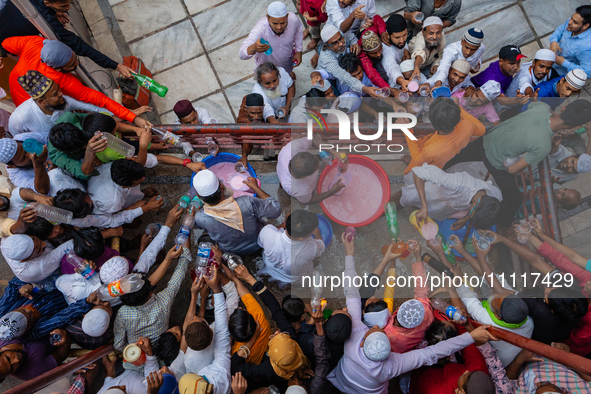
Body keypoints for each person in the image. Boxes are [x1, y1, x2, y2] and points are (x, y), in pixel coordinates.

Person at [326, 232, 497, 393]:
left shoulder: (354, 339)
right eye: (380, 330)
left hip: (342, 379)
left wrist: (349, 253)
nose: (378, 326)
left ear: (363, 340)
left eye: (376, 329)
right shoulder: (395, 364)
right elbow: (433, 352)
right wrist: (471, 336)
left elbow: (351, 292)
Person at [443, 99, 591, 228]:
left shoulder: (542, 107)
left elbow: (533, 105)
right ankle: (504, 226)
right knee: (514, 199)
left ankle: (436, 165)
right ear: (574, 127)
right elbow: (513, 169)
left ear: (565, 108)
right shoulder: (543, 146)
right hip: (494, 161)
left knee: (459, 155)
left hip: (487, 139)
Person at [1, 36, 149, 127]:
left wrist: (130, 116)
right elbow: (99, 100)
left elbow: (5, 43)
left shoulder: (35, 42)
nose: (77, 65)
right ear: (56, 69)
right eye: (72, 65)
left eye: (75, 59)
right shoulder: (63, 82)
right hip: (32, 108)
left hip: (15, 85)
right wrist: (133, 118)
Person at [0, 0, 135, 77]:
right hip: (9, 42)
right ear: (47, 2)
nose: (68, 8)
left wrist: (55, 11)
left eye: (69, 3)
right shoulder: (48, 23)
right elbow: (81, 46)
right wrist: (116, 66)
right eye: (63, 6)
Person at [113, 243, 186, 372]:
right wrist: (184, 250)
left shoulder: (123, 313)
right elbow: (179, 274)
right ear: (150, 293)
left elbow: (118, 345)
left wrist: (132, 350)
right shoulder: (164, 300)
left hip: (136, 360)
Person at [192, 169, 281, 256]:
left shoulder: (200, 217)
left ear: (198, 196)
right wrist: (256, 188)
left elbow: (197, 225)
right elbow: (276, 209)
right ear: (222, 185)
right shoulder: (246, 202)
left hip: (233, 251)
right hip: (259, 242)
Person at [176, 267, 233, 394]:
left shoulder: (190, 361)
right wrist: (216, 289)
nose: (195, 316)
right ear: (210, 329)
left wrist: (200, 297)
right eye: (198, 319)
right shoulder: (220, 365)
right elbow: (221, 320)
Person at [8, 70, 110, 136]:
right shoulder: (19, 119)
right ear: (41, 101)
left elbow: (94, 108)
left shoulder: (64, 101)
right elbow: (19, 140)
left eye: (59, 89)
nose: (61, 94)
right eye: (55, 94)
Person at [396, 163, 503, 223]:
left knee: (432, 210)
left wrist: (465, 219)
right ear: (474, 201)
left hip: (445, 206)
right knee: (407, 197)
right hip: (433, 192)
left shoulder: (495, 196)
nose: (470, 215)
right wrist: (424, 206)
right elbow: (419, 173)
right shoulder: (459, 184)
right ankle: (396, 203)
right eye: (471, 214)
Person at [404, 98, 486, 175]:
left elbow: (418, 161)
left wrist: (406, 130)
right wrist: (458, 110)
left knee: (413, 171)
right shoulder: (468, 126)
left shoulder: (431, 150)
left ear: (432, 124)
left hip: (426, 168)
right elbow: (482, 129)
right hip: (441, 163)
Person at [0, 277, 96, 340]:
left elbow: (13, 283)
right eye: (29, 316)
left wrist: (22, 286)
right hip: (71, 298)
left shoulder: (3, 309)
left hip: (54, 279)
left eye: (23, 310)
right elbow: (63, 316)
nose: (29, 310)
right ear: (28, 327)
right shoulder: (36, 331)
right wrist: (86, 302)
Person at [257, 210, 325, 288]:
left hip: (271, 267)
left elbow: (261, 243)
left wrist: (284, 224)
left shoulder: (268, 232)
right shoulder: (313, 247)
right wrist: (317, 234)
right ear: (301, 238)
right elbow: (321, 246)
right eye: (311, 231)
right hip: (291, 277)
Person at [317, 24, 381, 98]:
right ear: (326, 46)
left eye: (340, 39)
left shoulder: (342, 34)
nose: (341, 44)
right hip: (330, 77)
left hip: (345, 64)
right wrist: (365, 89)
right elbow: (344, 77)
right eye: (334, 43)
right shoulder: (327, 60)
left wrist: (354, 44)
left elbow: (352, 38)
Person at [239, 2, 303, 74]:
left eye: (282, 23)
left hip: (287, 61)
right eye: (275, 23)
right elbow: (242, 54)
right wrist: (253, 48)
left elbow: (298, 30)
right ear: (267, 18)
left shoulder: (293, 19)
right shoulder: (260, 28)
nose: (279, 27)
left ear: (287, 16)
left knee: (286, 75)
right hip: (267, 69)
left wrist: (299, 51)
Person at [277, 136, 345, 204]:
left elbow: (313, 140)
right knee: (301, 196)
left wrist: (333, 152)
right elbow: (310, 200)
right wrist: (332, 192)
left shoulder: (292, 148)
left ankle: (282, 186)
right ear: (304, 177)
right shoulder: (301, 190)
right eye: (315, 169)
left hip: (282, 172)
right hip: (294, 188)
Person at [1, 233, 73, 283]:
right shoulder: (33, 270)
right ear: (27, 259)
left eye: (35, 239)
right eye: (39, 249)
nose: (44, 244)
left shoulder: (8, 241)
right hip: (53, 273)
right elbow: (67, 247)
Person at [506, 350, 591, 393]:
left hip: (529, 351)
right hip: (560, 351)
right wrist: (569, 357)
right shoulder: (585, 391)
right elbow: (588, 374)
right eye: (542, 385)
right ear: (564, 393)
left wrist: (520, 358)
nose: (538, 383)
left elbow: (506, 378)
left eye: (536, 389)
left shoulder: (519, 392)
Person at [357, 30, 404, 95]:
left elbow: (377, 20)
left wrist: (382, 32)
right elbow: (373, 76)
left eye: (379, 50)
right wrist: (391, 91)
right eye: (374, 53)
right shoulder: (363, 59)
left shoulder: (372, 30)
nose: (378, 54)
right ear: (365, 52)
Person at [549, 5, 591, 77]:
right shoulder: (571, 22)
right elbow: (559, 31)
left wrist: (564, 63)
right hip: (552, 59)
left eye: (575, 22)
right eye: (571, 17)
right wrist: (553, 41)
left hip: (562, 73)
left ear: (585, 26)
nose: (570, 22)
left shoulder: (587, 47)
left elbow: (587, 72)